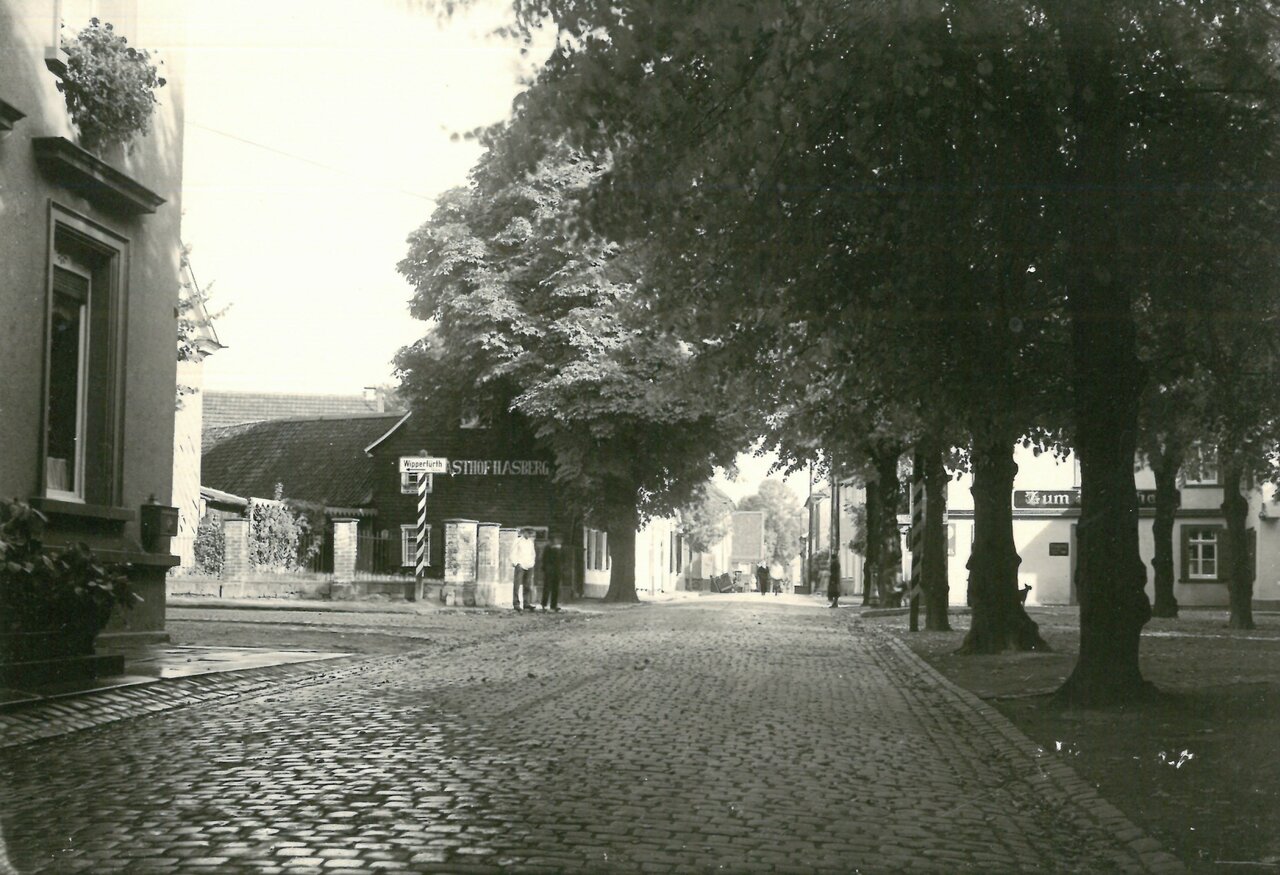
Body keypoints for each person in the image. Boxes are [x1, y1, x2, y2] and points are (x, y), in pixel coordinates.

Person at [512, 528, 537, 611]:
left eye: (530, 533)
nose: (528, 535)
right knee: (517, 585)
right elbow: (513, 553)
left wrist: (532, 563)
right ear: (523, 533)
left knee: (527, 585)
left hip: (529, 565)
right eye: (527, 533)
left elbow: (533, 554)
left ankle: (526, 603)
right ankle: (516, 604)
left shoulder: (530, 542)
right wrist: (516, 563)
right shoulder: (518, 541)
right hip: (520, 565)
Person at [540, 532, 566, 612]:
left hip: (557, 570)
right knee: (547, 588)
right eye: (556, 539)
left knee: (556, 588)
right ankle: (544, 605)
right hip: (549, 570)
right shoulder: (548, 548)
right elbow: (544, 559)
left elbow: (563, 559)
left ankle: (553, 605)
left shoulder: (561, 548)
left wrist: (562, 568)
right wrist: (546, 568)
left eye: (559, 539)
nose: (558, 540)